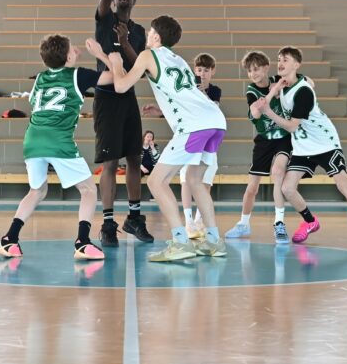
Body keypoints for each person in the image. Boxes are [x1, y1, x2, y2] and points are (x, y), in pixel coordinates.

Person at [90, 15, 227, 262]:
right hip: (215, 121)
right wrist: (161, 110)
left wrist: (111, 60)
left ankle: (180, 241)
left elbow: (121, 86)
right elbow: (186, 95)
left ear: (156, 36)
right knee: (195, 181)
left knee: (156, 181)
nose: (148, 35)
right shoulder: (179, 60)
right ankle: (215, 241)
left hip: (193, 126)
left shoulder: (147, 55)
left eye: (151, 31)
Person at [0, 36, 110, 262]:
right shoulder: (79, 75)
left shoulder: (39, 78)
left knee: (36, 191)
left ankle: (9, 239)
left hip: (32, 140)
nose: (76, 49)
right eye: (72, 48)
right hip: (57, 140)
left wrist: (69, 59)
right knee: (88, 190)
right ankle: (82, 242)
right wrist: (100, 54)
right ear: (68, 56)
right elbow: (116, 78)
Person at [256, 47, 347, 250]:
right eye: (279, 59)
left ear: (296, 64)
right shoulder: (283, 83)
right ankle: (310, 221)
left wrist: (269, 112)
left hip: (324, 143)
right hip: (303, 146)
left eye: (285, 60)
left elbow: (292, 126)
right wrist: (273, 91)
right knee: (287, 188)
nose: (280, 63)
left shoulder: (303, 91)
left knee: (343, 184)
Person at [91, 0, 152, 247]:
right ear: (113, 0)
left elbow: (138, 65)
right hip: (106, 98)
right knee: (110, 163)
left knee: (134, 157)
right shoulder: (105, 20)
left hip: (127, 96)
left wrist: (127, 41)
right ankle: (107, 223)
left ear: (134, 0)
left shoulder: (138, 31)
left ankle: (134, 218)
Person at [226, 51, 293, 244]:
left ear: (266, 67)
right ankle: (243, 223)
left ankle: (279, 223)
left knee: (278, 172)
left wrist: (282, 85)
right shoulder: (251, 90)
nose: (253, 74)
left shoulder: (279, 79)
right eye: (249, 71)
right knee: (252, 188)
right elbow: (256, 112)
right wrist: (273, 91)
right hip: (264, 139)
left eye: (256, 69)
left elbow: (308, 82)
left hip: (283, 137)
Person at [180, 53, 221, 238]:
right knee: (186, 178)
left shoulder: (215, 91)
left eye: (205, 70)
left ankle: (199, 220)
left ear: (212, 72)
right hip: (191, 138)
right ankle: (188, 221)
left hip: (209, 141)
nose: (202, 74)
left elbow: (213, 109)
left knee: (206, 179)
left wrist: (202, 92)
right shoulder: (188, 89)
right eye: (199, 70)